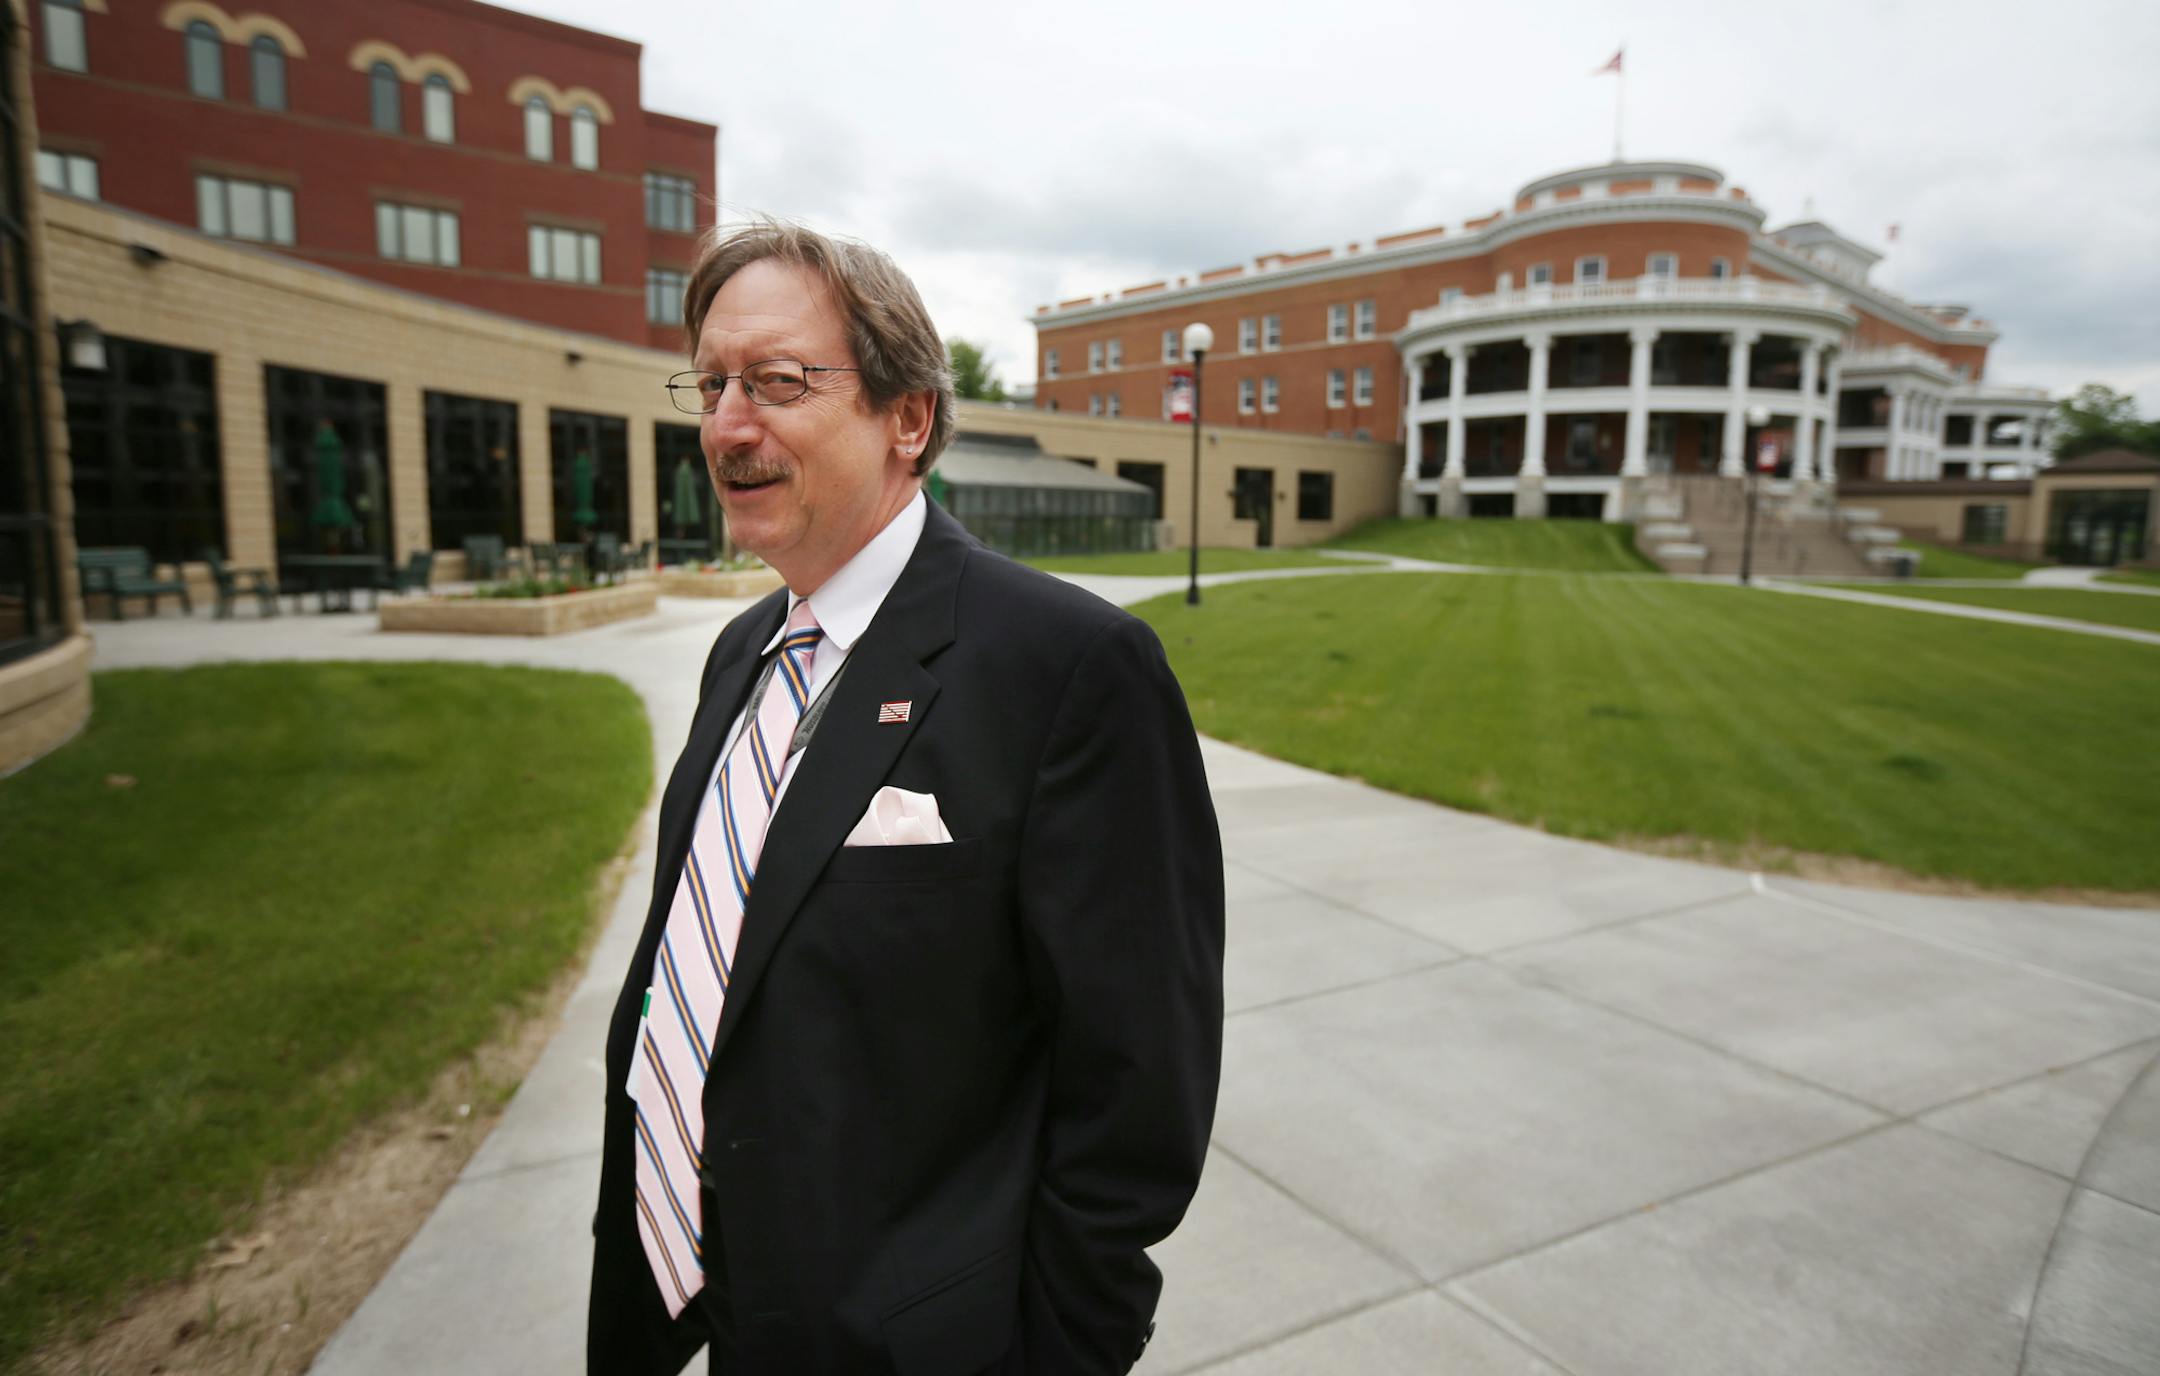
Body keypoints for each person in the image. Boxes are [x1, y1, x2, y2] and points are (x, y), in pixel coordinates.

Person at [587, 221, 1225, 1375]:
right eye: (714, 382)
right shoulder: (741, 652)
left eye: (779, 380)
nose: (729, 422)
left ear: (909, 418)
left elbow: (1139, 1086)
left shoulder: (1072, 668)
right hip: (706, 1305)